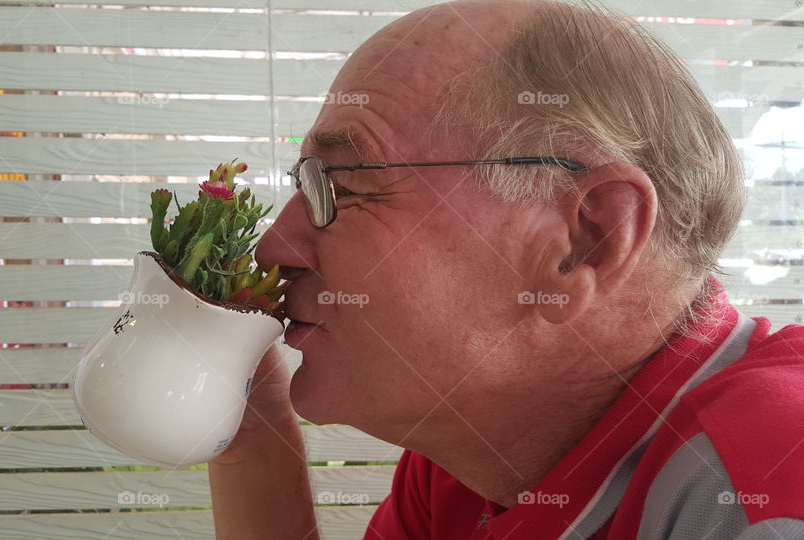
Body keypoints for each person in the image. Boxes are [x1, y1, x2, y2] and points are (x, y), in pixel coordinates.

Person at [208, 0, 804, 538]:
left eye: (345, 185)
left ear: (584, 242)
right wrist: (250, 442)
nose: (273, 249)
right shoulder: (469, 460)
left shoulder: (762, 498)